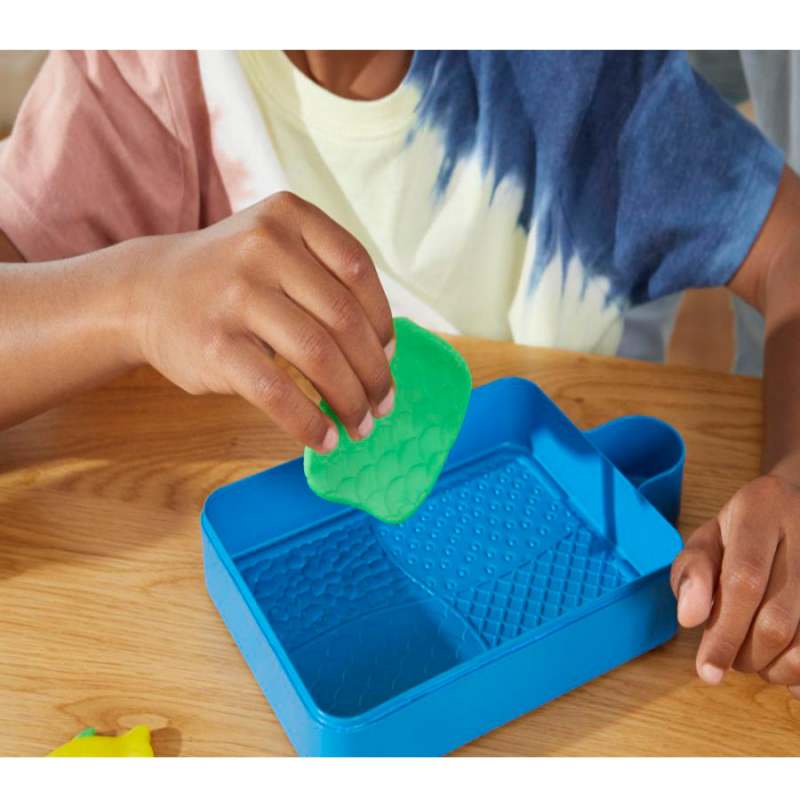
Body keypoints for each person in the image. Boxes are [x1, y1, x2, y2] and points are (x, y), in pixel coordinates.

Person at [2, 50, 800, 698]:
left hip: (602, 648)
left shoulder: (578, 69)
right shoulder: (147, 70)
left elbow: (785, 244)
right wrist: (134, 297)